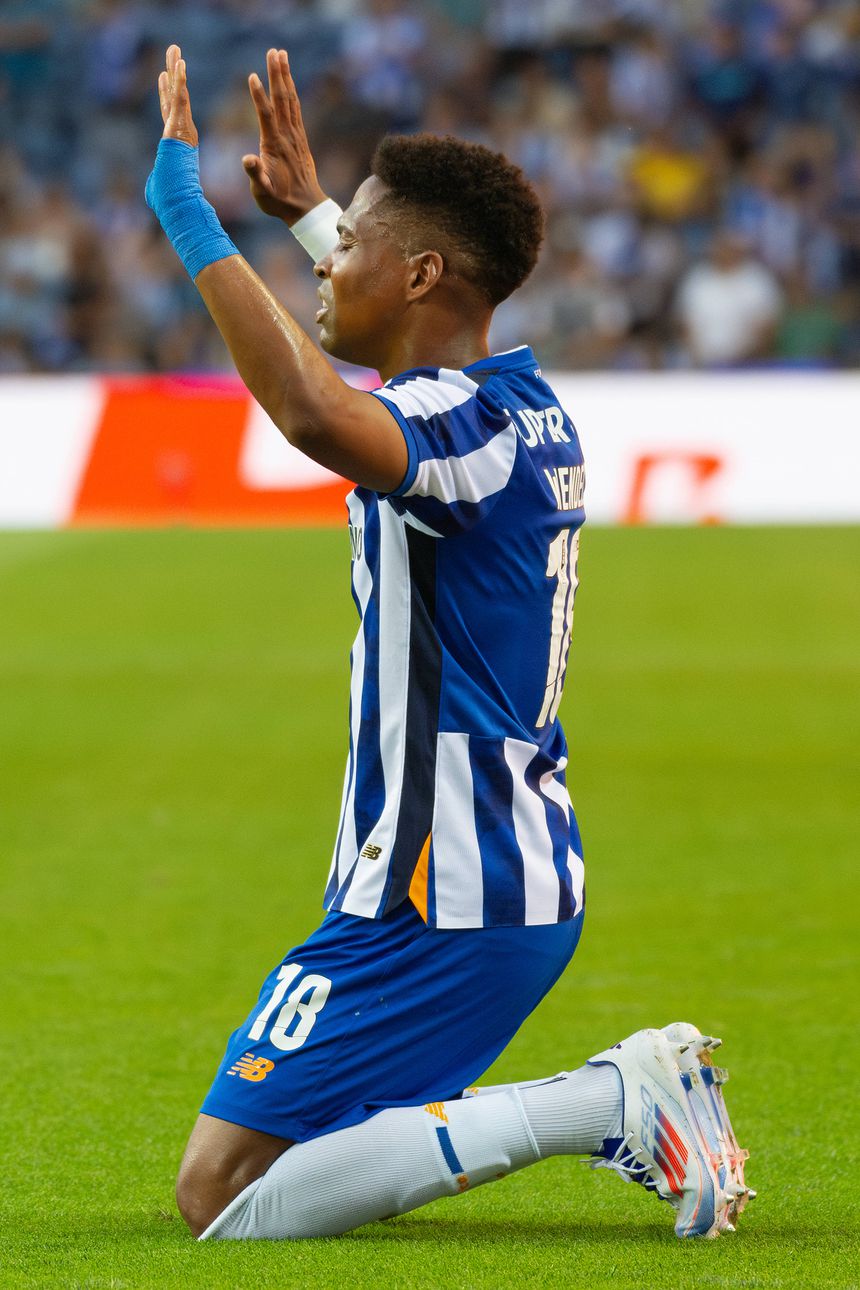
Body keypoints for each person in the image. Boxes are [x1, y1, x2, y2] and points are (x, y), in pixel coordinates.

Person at [146, 44, 753, 1242]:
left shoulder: (457, 423)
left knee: (224, 1197)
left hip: (442, 894)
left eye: (348, 245)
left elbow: (313, 409)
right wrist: (318, 216)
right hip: (470, 875)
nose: (327, 266)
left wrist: (185, 213)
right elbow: (392, 319)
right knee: (283, 1168)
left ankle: (607, 1102)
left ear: (421, 272)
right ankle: (601, 1102)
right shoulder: (514, 404)